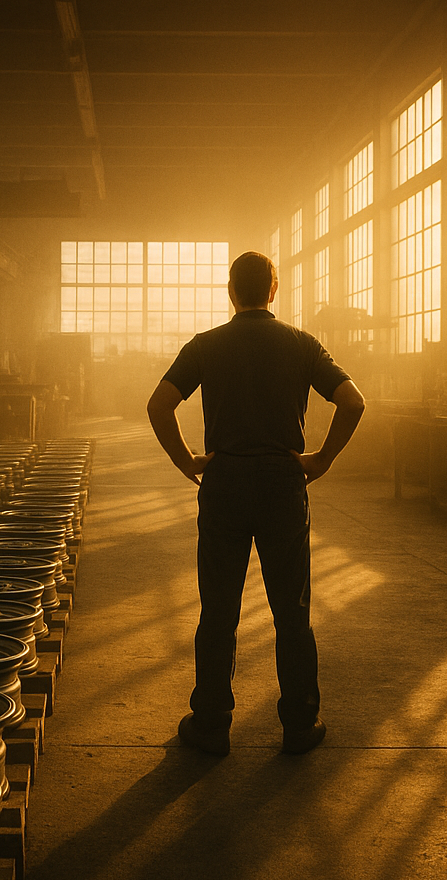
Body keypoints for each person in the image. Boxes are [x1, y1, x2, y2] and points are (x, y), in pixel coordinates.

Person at [146, 251, 365, 756]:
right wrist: (323, 459)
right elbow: (353, 401)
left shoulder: (205, 346)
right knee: (292, 611)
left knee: (218, 609)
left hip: (223, 484)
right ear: (273, 289)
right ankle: (299, 725)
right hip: (282, 487)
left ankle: (211, 725)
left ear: (230, 291)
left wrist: (188, 462)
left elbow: (159, 404)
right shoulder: (301, 345)